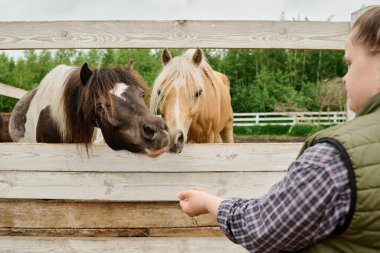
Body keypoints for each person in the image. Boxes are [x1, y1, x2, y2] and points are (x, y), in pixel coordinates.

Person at [177, 6, 380, 253]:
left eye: (349, 63)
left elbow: (262, 228)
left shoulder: (333, 160)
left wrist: (210, 202)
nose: (344, 78)